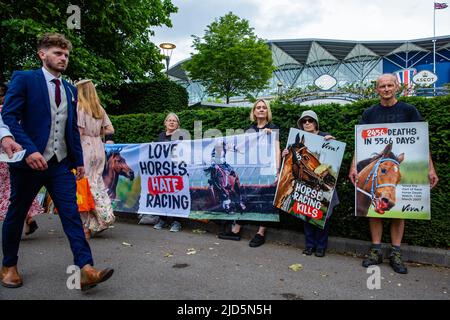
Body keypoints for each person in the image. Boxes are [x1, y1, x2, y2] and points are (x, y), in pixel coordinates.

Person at [1, 33, 113, 290]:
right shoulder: (25, 79)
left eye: (66, 55)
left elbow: (71, 128)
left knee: (71, 214)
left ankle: (85, 269)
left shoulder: (71, 90)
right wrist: (29, 150)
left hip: (60, 164)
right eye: (57, 53)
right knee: (17, 214)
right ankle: (9, 265)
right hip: (28, 163)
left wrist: (78, 160)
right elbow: (9, 116)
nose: (63, 58)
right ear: (42, 54)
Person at [348, 73, 439, 274]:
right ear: (377, 89)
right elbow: (360, 142)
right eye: (382, 86)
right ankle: (376, 250)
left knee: (400, 212)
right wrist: (354, 166)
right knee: (375, 210)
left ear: (396, 86)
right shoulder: (369, 113)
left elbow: (421, 141)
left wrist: (430, 167)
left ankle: (396, 252)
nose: (386, 89)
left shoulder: (409, 111)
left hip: (394, 168)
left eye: (390, 85)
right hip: (379, 168)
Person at [218, 99, 281, 248]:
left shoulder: (273, 128)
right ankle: (236, 230)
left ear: (267, 111)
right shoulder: (250, 130)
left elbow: (276, 150)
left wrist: (277, 170)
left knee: (265, 201)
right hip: (251, 170)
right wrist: (227, 145)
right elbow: (242, 149)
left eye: (264, 108)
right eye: (258, 107)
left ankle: (260, 233)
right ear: (253, 111)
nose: (260, 110)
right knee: (245, 198)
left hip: (267, 170)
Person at [282, 110, 339, 257]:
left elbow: (335, 155)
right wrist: (285, 154)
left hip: (321, 182)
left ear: (315, 122)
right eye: (304, 121)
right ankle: (309, 245)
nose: (307, 123)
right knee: (306, 215)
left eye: (310, 120)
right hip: (305, 184)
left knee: (322, 216)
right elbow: (292, 164)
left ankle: (321, 246)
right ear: (301, 124)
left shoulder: (325, 138)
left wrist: (333, 142)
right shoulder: (297, 144)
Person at [0, 85, 44, 235]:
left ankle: (17, 224)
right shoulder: (18, 111)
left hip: (6, 157)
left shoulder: (6, 112)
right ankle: (27, 218)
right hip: (16, 156)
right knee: (16, 191)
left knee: (10, 192)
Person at [76, 79, 115, 239]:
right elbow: (110, 129)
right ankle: (105, 215)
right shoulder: (98, 108)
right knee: (97, 182)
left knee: (84, 185)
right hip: (98, 148)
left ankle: (88, 225)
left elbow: (78, 131)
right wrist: (96, 133)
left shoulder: (79, 107)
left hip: (85, 147)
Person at [151, 112, 184, 232]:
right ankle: (162, 219)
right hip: (162, 171)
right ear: (165, 123)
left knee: (176, 194)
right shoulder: (160, 136)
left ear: (178, 124)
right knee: (162, 194)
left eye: (174, 120)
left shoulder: (181, 136)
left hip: (176, 170)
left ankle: (177, 221)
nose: (171, 122)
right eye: (169, 120)